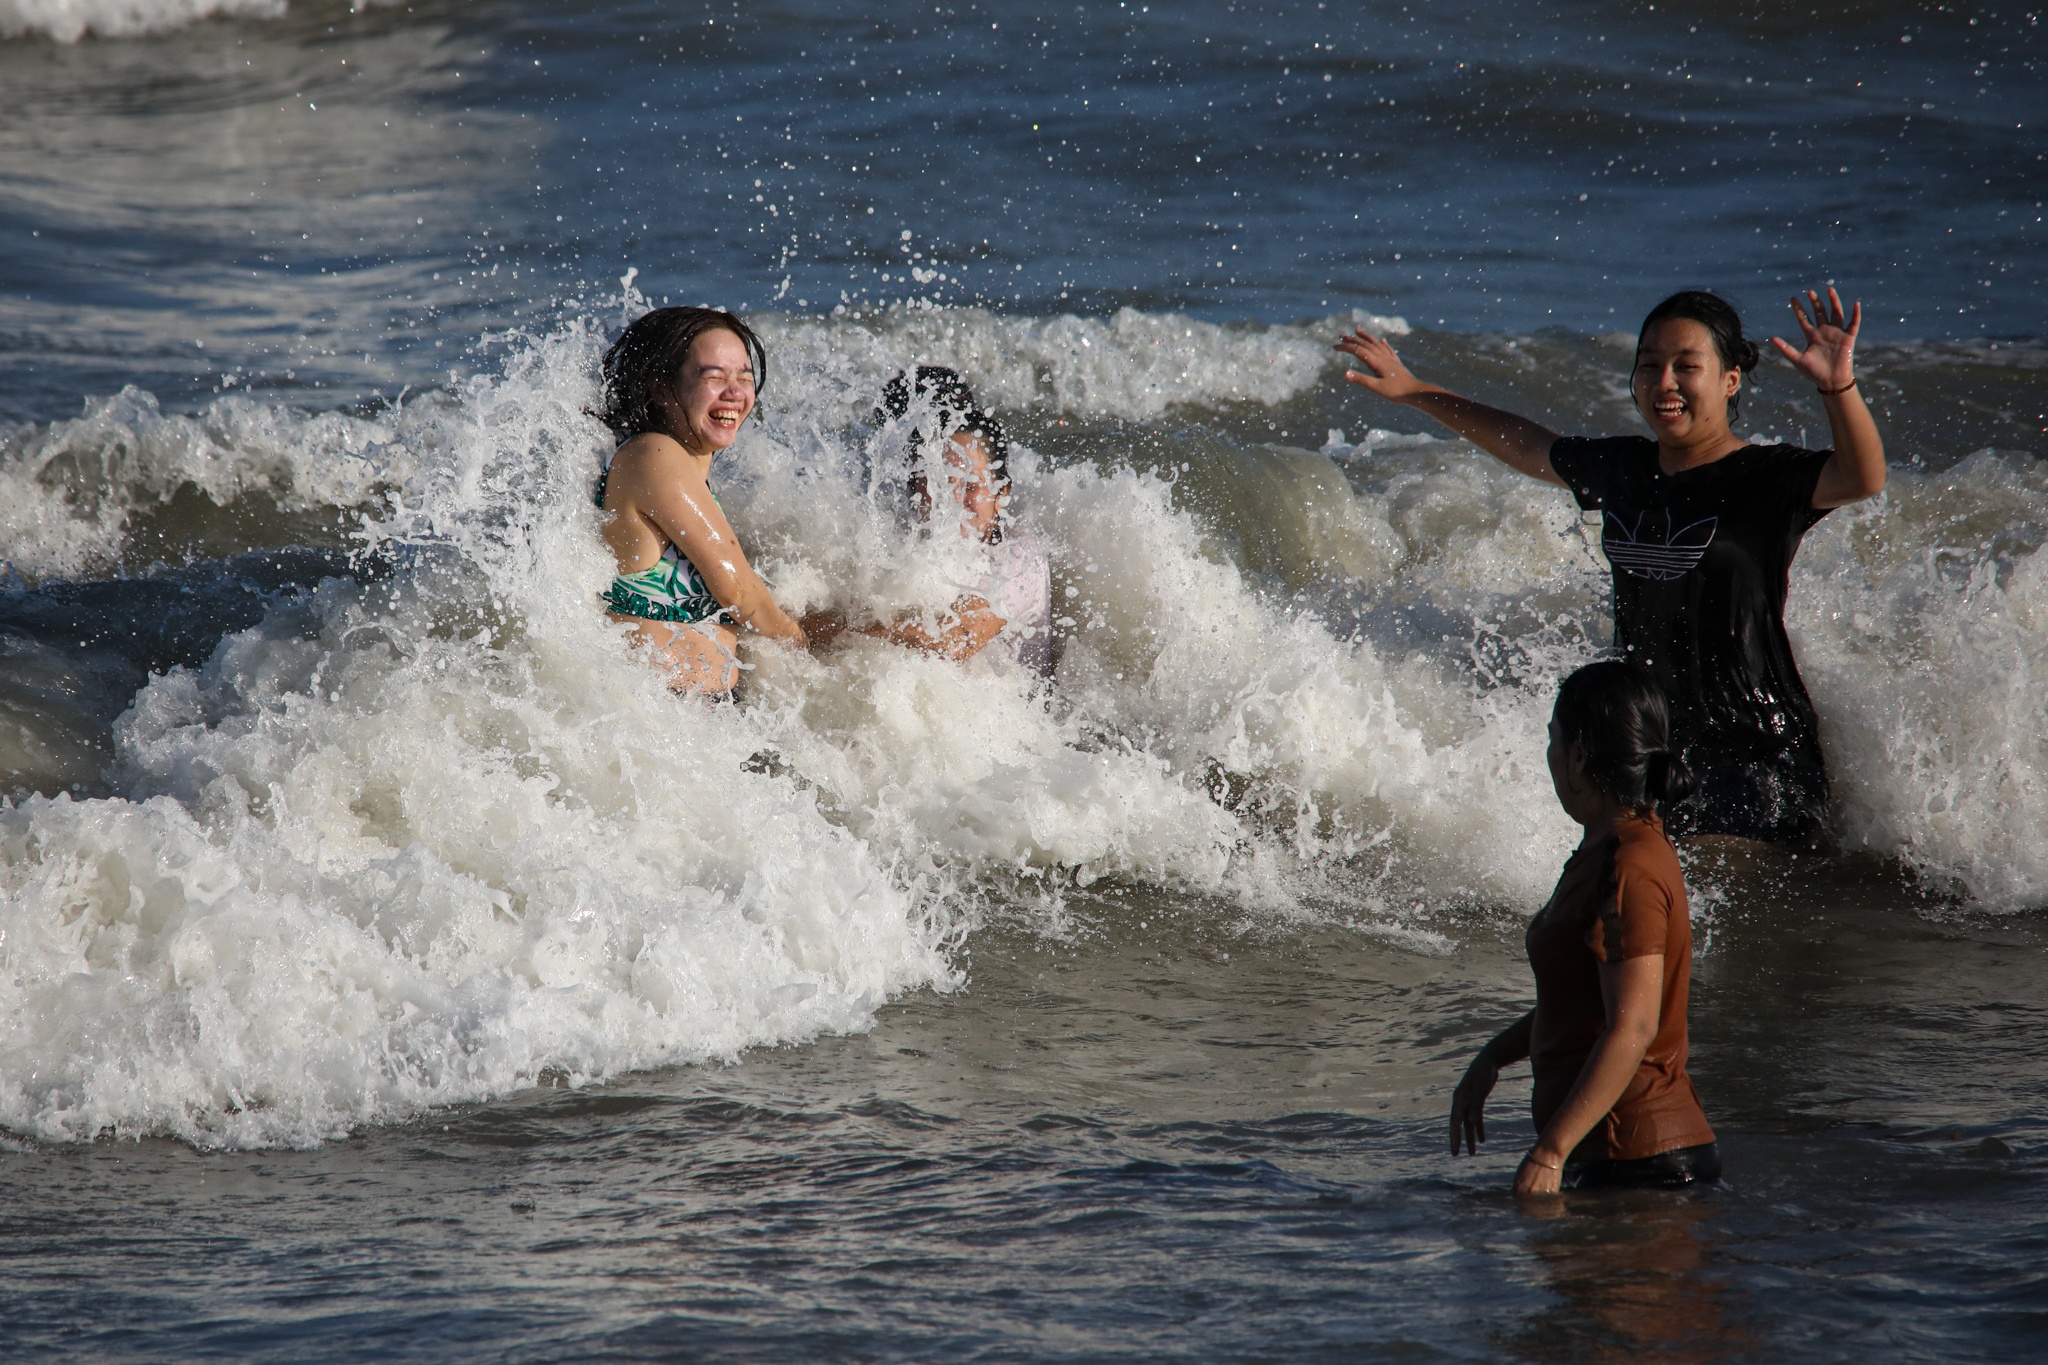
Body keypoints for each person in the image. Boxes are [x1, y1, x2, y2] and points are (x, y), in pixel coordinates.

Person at [1336, 289, 1887, 843]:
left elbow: (1861, 477)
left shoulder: (1765, 477)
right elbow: (1529, 444)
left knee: (1703, 891)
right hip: (1650, 743)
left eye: (1686, 366)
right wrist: (1415, 392)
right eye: (1649, 365)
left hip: (1757, 748)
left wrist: (1836, 386)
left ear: (1730, 380)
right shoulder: (1625, 468)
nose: (1664, 381)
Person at [1450, 661, 1719, 1194]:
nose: (1549, 757)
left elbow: (1632, 1028)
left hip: (1638, 1164)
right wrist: (1494, 1056)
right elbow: (1585, 1005)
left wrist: (1550, 1153)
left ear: (1576, 756)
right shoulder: (1608, 849)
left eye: (1554, 739)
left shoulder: (1630, 866)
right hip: (1618, 1159)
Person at [595, 306, 807, 694]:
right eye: (714, 377)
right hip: (661, 720)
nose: (736, 393)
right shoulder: (652, 454)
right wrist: (811, 655)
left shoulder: (680, 472)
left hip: (701, 724)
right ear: (661, 387)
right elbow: (740, 593)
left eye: (744, 377)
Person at [807, 367, 1053, 674]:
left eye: (971, 486)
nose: (952, 501)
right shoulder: (898, 544)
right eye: (938, 486)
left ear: (1001, 494)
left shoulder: (1019, 557)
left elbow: (956, 640)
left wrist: (834, 630)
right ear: (915, 494)